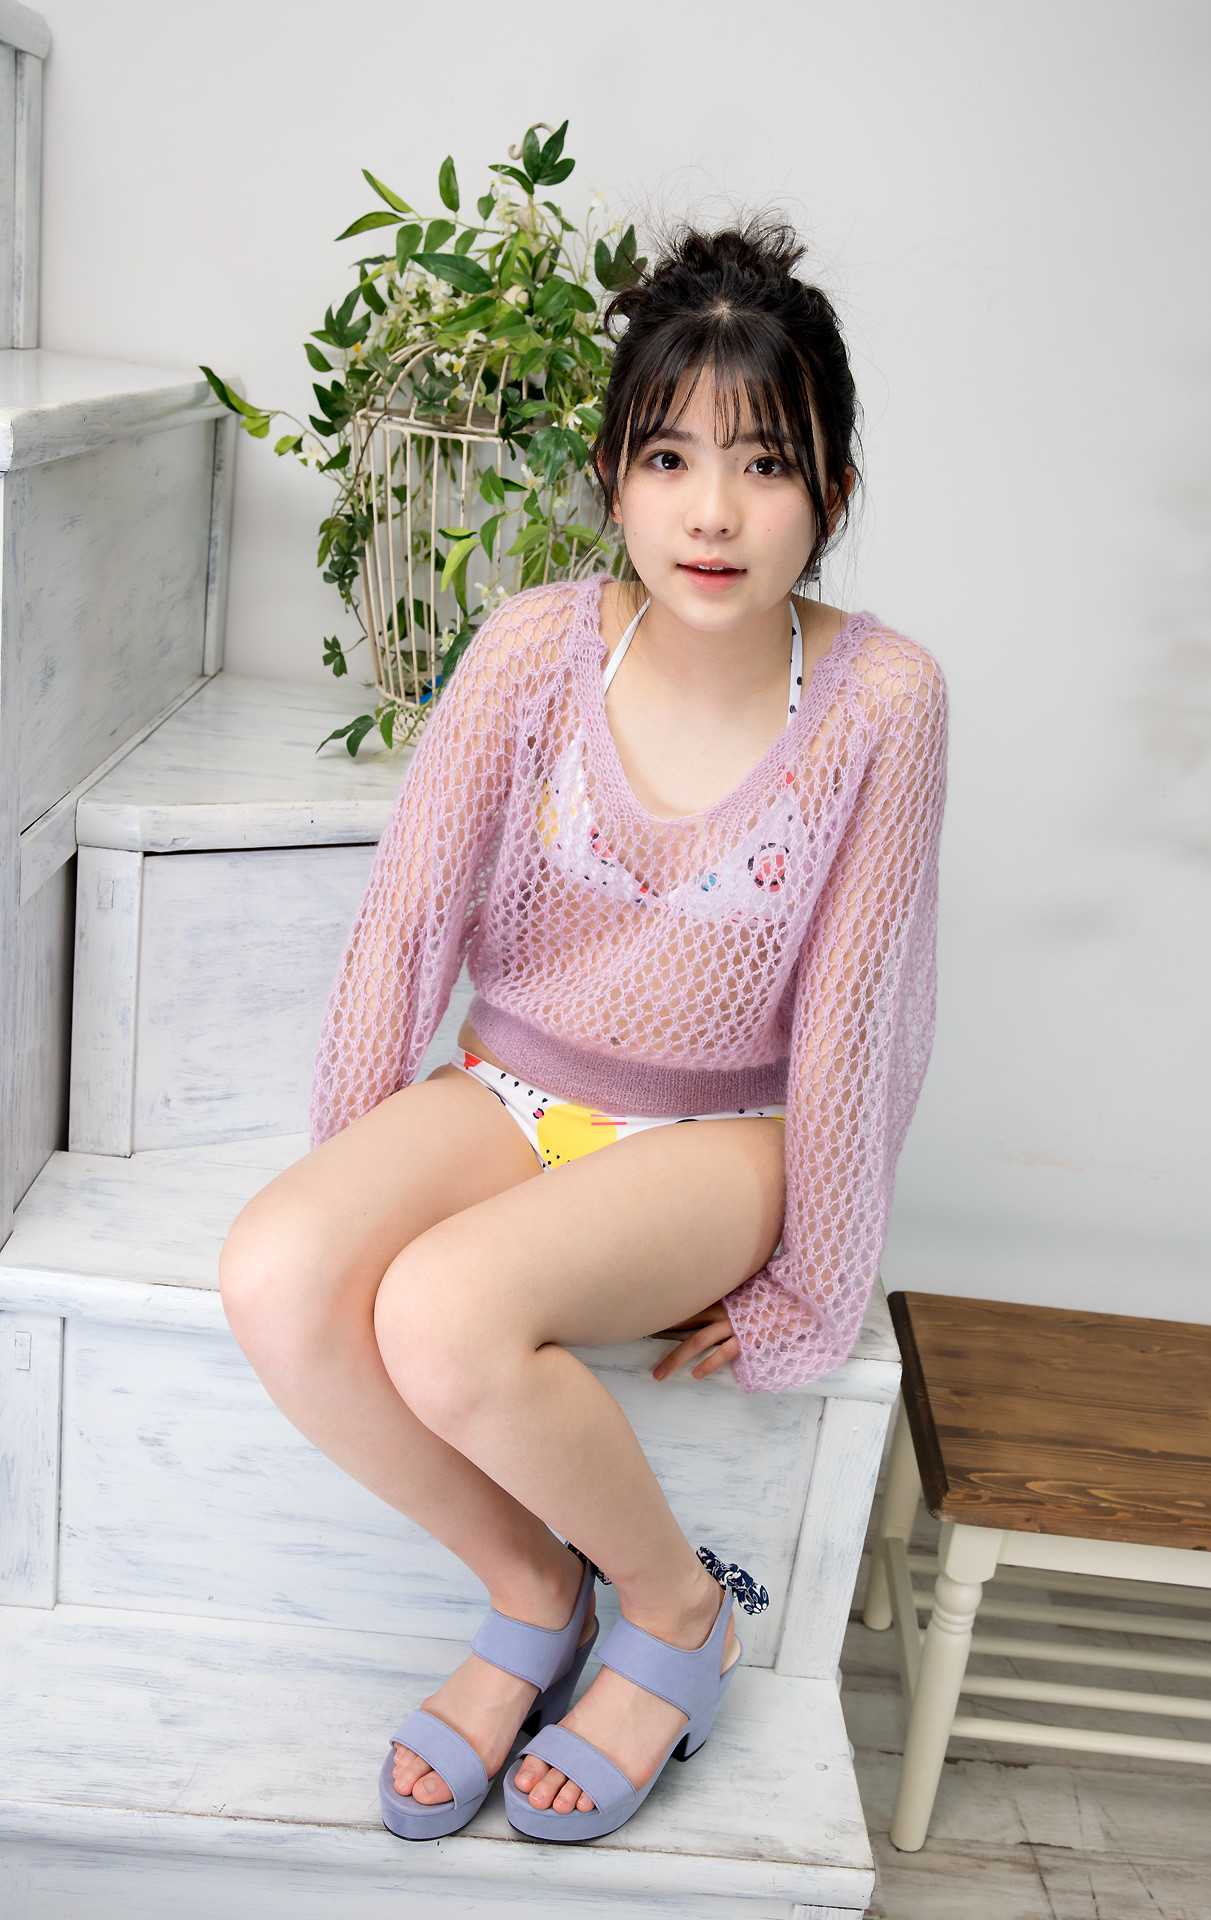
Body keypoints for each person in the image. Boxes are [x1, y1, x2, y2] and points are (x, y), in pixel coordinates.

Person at [218, 212, 949, 1845]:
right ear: (612, 474)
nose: (712, 510)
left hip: (720, 1136)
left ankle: (678, 1614)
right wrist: (358, 1167)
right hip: (512, 1084)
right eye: (670, 457)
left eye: (766, 463)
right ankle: (531, 1589)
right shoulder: (537, 649)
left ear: (833, 491)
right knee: (278, 1269)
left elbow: (858, 1014)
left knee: (445, 1312)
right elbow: (405, 919)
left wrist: (814, 1287)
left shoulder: (882, 700)